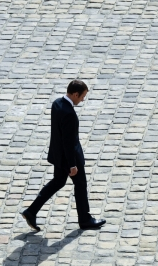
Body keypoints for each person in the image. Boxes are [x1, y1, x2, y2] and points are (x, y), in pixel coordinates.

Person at [21, 80, 106, 231]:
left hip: (58, 155)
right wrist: (72, 165)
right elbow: (68, 142)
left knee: (58, 182)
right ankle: (85, 219)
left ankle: (31, 211)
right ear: (75, 94)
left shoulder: (57, 103)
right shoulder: (69, 114)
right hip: (69, 158)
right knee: (80, 185)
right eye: (82, 97)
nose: (83, 100)